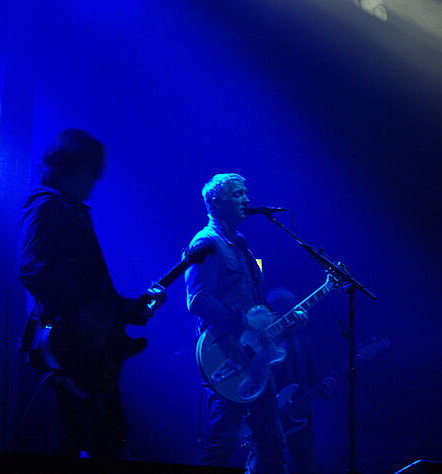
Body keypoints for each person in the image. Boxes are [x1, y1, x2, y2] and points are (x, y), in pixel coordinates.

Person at [18, 128, 162, 458]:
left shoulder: (75, 212)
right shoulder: (46, 207)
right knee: (86, 436)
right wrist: (83, 315)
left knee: (103, 435)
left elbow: (93, 291)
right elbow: (29, 268)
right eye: (91, 171)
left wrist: (129, 309)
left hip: (84, 345)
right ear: (72, 165)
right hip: (64, 343)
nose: (95, 181)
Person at [185, 173, 290, 473]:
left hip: (255, 357)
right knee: (222, 442)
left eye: (246, 192)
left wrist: (279, 322)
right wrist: (240, 323)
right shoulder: (206, 242)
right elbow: (197, 300)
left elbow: (253, 305)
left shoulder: (241, 245)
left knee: (272, 443)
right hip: (226, 354)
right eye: (237, 194)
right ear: (216, 201)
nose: (246, 198)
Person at [262, 288, 335, 474]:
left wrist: (326, 388)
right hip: (268, 414)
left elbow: (313, 375)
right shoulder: (260, 342)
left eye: (291, 305)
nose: (289, 311)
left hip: (300, 415)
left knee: (308, 465)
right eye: (281, 307)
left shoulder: (303, 342)